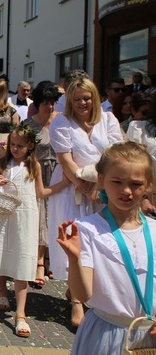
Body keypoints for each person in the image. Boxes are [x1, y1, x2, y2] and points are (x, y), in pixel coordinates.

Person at [58, 142, 156, 354]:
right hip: (106, 334)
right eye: (117, 182)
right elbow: (83, 294)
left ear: (148, 185)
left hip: (150, 336)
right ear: (101, 179)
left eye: (136, 184)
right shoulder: (88, 229)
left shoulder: (154, 230)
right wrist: (74, 260)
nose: (126, 191)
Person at [48, 77, 123, 326]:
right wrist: (84, 186)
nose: (83, 103)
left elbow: (117, 153)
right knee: (76, 240)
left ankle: (86, 291)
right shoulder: (61, 122)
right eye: (77, 98)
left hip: (104, 186)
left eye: (87, 98)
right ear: (70, 100)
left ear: (95, 98)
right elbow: (66, 160)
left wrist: (103, 187)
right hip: (73, 188)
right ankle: (77, 303)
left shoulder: (109, 120)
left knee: (101, 241)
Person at [0, 125, 43, 339]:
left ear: (30, 146)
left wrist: (65, 185)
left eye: (20, 145)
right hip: (5, 212)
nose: (15, 148)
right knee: (3, 251)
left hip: (26, 215)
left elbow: (41, 191)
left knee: (23, 259)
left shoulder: (35, 166)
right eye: (12, 144)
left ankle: (20, 314)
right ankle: (2, 290)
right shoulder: (4, 163)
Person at [21, 81, 61, 287]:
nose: (50, 106)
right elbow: (21, 151)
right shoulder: (29, 124)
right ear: (38, 103)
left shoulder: (62, 121)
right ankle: (39, 262)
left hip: (59, 173)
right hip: (37, 173)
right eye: (46, 102)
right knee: (40, 215)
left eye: (53, 102)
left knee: (56, 214)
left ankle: (52, 259)